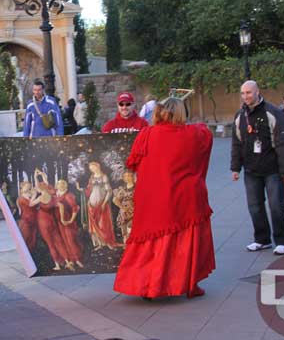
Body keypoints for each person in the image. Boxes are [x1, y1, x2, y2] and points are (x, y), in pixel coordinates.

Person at [114, 98, 214, 299]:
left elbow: (133, 163)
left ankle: (147, 286)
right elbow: (206, 133)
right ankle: (188, 284)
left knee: (152, 242)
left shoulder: (147, 134)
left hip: (153, 197)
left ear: (159, 112)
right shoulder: (193, 134)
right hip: (186, 197)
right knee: (186, 243)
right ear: (180, 113)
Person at [231, 80, 284, 255]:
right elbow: (236, 143)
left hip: (272, 169)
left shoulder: (272, 112)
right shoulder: (240, 115)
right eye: (242, 93)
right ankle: (262, 239)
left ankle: (283, 241)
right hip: (251, 170)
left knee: (276, 206)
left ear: (257, 92)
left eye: (249, 93)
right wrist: (235, 168)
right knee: (255, 206)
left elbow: (283, 142)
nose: (245, 96)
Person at [76, 162, 118, 251]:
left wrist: (104, 203)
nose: (93, 169)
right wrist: (81, 189)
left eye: (93, 167)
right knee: (94, 225)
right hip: (91, 204)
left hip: (101, 204)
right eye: (91, 168)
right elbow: (88, 190)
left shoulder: (104, 177)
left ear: (98, 166)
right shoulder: (91, 178)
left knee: (103, 224)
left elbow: (109, 191)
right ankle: (99, 243)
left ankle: (107, 242)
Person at [55, 179, 83, 269]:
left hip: (67, 220)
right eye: (59, 184)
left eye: (63, 184)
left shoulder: (68, 195)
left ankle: (77, 259)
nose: (60, 185)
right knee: (64, 240)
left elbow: (75, 208)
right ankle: (71, 259)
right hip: (58, 220)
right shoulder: (56, 194)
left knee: (71, 239)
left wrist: (71, 220)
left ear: (66, 185)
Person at [112, 170, 136, 244]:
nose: (127, 178)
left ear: (133, 177)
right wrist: (122, 207)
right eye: (125, 176)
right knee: (124, 232)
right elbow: (115, 200)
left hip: (134, 212)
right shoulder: (122, 189)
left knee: (131, 230)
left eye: (129, 176)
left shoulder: (138, 188)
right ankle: (126, 247)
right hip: (123, 213)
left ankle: (132, 247)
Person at [16, 181, 38, 251]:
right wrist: (34, 196)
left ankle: (30, 251)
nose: (28, 188)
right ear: (22, 187)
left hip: (34, 217)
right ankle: (24, 250)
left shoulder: (30, 195)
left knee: (33, 236)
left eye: (29, 186)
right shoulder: (21, 198)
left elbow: (35, 205)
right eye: (26, 186)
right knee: (26, 234)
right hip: (27, 218)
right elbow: (30, 204)